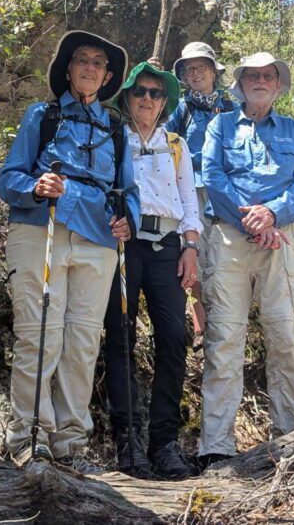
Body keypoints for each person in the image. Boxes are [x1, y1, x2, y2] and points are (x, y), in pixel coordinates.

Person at [0, 31, 139, 471]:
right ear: (69, 67)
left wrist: (128, 220)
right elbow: (8, 178)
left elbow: (129, 191)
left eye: (99, 62)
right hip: (44, 227)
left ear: (108, 76)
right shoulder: (43, 115)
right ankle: (29, 436)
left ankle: (71, 444)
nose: (90, 67)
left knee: (81, 341)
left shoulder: (116, 127)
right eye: (82, 59)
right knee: (40, 333)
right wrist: (35, 186)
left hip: (98, 238)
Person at [198, 52, 294, 470]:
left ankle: (292, 437)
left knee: (284, 336)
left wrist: (273, 214)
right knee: (225, 340)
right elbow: (212, 176)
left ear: (279, 85)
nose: (261, 81)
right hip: (229, 238)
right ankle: (216, 447)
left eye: (269, 76)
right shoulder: (221, 124)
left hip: (281, 239)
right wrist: (252, 218)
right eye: (253, 76)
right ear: (241, 83)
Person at [103, 61, 201, 480]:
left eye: (155, 93)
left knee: (174, 338)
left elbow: (189, 200)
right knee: (121, 336)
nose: (147, 99)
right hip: (125, 246)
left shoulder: (177, 144)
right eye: (140, 91)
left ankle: (164, 442)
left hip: (168, 248)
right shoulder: (114, 140)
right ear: (127, 96)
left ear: (165, 102)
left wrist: (192, 246)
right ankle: (127, 440)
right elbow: (102, 188)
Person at [164, 42, 235, 335]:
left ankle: (225, 322)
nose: (195, 73)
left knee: (224, 258)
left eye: (201, 67)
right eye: (189, 68)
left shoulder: (231, 108)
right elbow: (166, 142)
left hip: (226, 192)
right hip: (192, 189)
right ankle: (200, 323)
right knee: (194, 251)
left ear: (213, 72)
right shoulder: (181, 109)